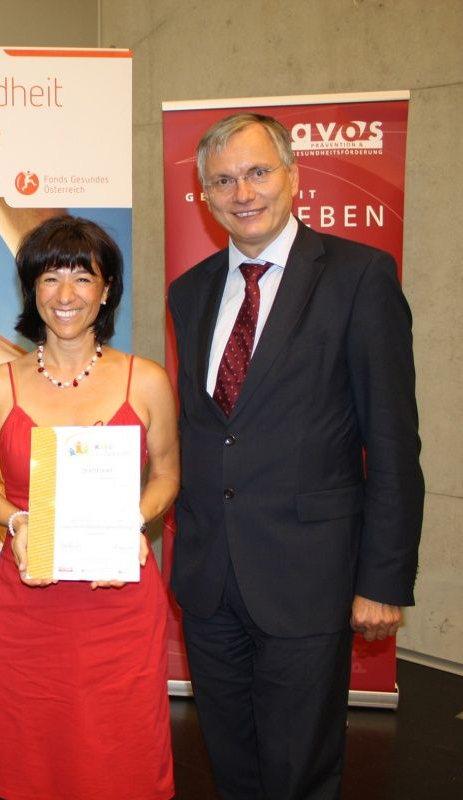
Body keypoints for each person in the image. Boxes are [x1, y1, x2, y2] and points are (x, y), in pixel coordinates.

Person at [167, 112, 424, 799]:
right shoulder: (189, 292)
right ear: (205, 195)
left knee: (299, 769)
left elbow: (393, 439)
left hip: (308, 576)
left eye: (258, 172)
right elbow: (204, 430)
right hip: (210, 578)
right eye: (224, 180)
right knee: (231, 763)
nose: (243, 192)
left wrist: (383, 578)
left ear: (294, 176)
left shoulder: (358, 276)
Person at [0, 215, 179, 799]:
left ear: (106, 291)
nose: (66, 294)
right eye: (50, 277)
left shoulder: (145, 381)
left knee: (121, 748)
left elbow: (167, 476)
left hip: (119, 597)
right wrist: (16, 519)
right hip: (31, 595)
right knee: (31, 745)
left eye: (83, 278)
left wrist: (131, 520)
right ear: (32, 290)